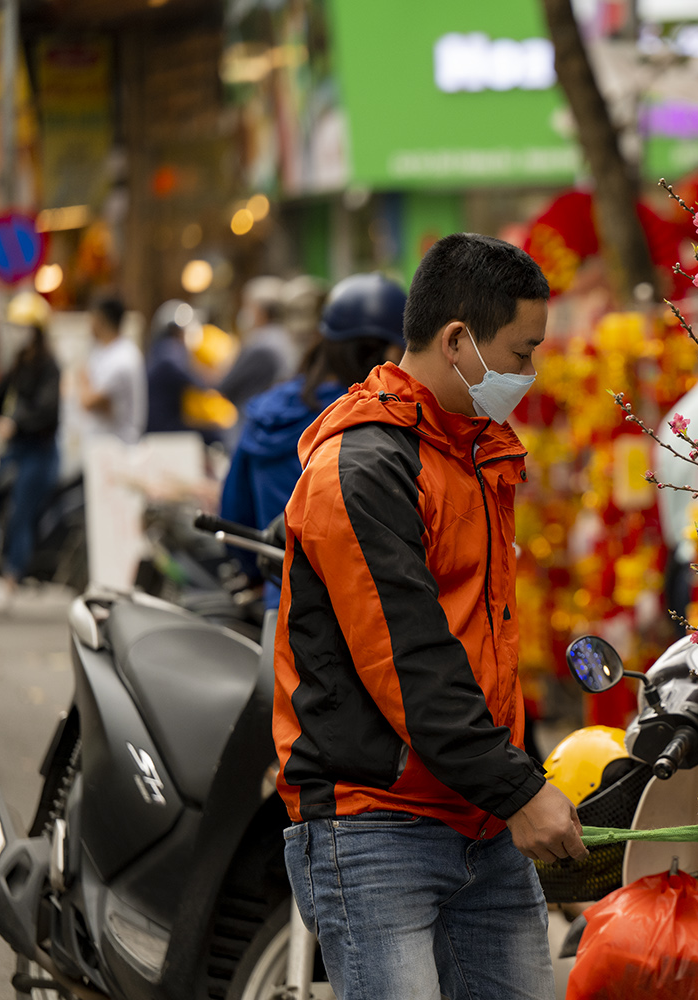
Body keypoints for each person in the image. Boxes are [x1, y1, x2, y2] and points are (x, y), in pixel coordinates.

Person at [274, 235, 586, 1000]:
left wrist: (516, 781)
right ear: (457, 342)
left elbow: (491, 643)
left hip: (480, 818)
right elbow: (410, 661)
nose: (529, 372)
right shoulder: (364, 464)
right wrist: (519, 790)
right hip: (375, 826)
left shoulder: (474, 451)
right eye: (520, 351)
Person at [220, 273, 405, 599]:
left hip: (282, 610)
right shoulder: (374, 418)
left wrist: (261, 577)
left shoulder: (265, 412)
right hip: (362, 618)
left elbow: (235, 514)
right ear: (388, 351)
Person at [0, 293, 61, 608]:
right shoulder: (19, 363)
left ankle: (12, 579)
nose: (17, 332)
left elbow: (46, 410)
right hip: (15, 450)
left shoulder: (50, 366)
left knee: (20, 511)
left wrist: (15, 425)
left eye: (22, 327)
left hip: (39, 453)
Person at [220, 276, 300, 407]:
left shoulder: (259, 344)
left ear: (261, 310)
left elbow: (225, 386)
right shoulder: (286, 337)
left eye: (248, 305)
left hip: (256, 418)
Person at [78, 294, 147, 443]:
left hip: (118, 449)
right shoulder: (102, 352)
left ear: (100, 319)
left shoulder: (123, 358)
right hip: (102, 448)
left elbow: (89, 402)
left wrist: (83, 380)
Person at [144, 300, 204, 435]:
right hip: (162, 425)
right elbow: (198, 382)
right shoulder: (170, 352)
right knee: (216, 434)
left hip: (160, 421)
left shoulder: (161, 349)